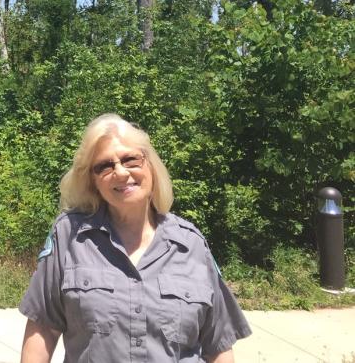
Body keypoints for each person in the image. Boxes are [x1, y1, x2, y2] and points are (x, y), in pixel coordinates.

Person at [19, 114, 252, 363]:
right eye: (104, 166)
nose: (120, 172)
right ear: (93, 181)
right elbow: (43, 328)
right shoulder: (69, 235)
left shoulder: (190, 243)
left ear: (150, 166)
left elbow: (218, 345)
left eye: (131, 160)